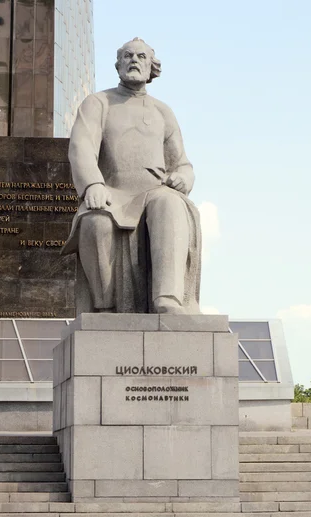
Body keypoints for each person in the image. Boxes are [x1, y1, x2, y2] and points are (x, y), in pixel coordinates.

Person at [62, 38, 201, 314]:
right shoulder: (98, 103)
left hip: (153, 193)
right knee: (95, 219)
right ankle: (106, 307)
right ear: (118, 65)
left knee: (170, 204)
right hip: (112, 191)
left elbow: (182, 164)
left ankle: (167, 299)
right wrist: (92, 183)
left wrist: (184, 178)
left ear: (152, 68)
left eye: (141, 56)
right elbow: (81, 147)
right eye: (127, 56)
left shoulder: (163, 112)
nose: (134, 60)